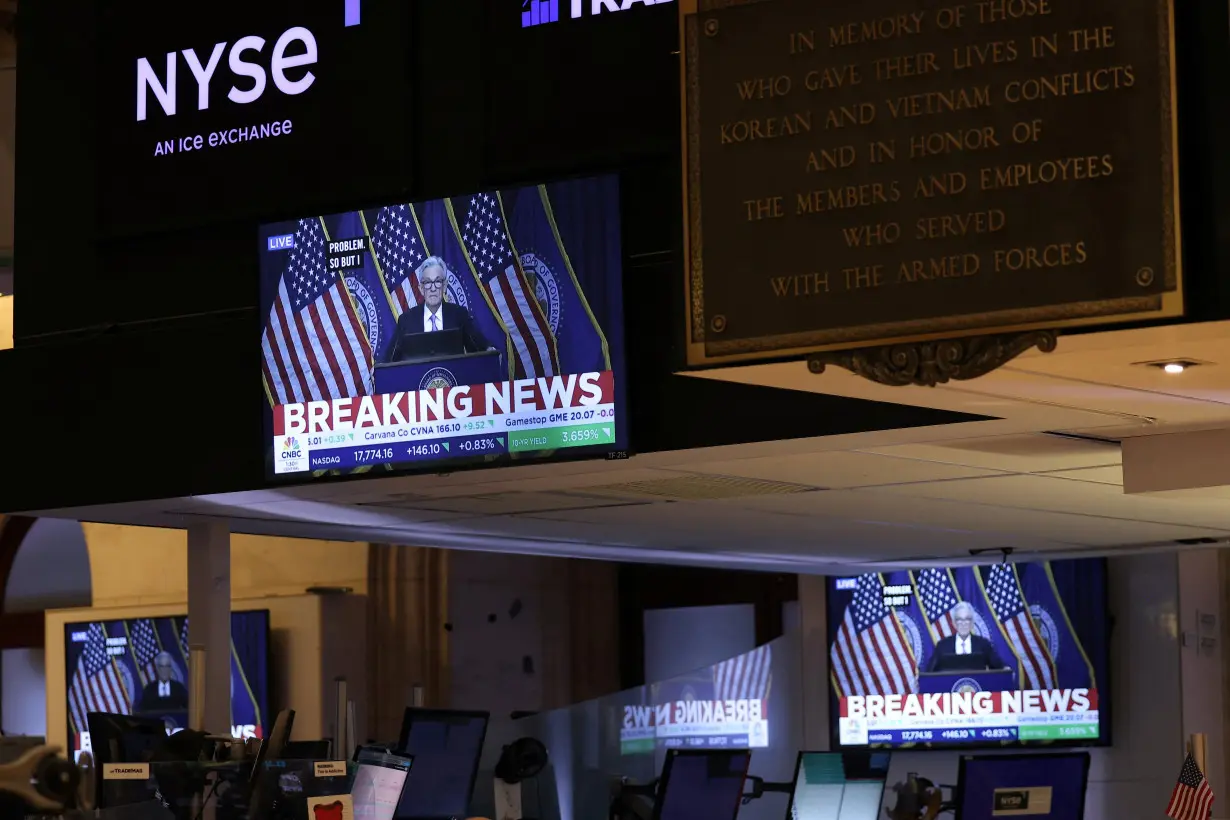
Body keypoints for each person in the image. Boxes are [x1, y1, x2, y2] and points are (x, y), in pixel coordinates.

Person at [389, 257, 493, 359]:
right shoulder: (406, 320)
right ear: (421, 289)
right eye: (428, 282)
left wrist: (490, 352)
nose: (433, 288)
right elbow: (388, 361)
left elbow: (481, 350)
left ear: (444, 286)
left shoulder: (459, 315)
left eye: (438, 281)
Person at [926, 602, 1006, 672]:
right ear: (954, 623)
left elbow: (999, 670)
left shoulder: (983, 644)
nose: (963, 623)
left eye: (967, 619)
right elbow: (930, 673)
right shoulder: (942, 646)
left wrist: (1006, 672)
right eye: (959, 620)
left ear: (972, 623)